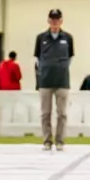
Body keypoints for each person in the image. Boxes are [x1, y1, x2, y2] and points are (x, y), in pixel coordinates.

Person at [35, 9, 73, 150]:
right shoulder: (41, 38)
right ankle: (47, 141)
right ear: (48, 21)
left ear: (61, 21)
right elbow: (37, 58)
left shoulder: (68, 38)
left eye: (57, 20)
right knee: (45, 113)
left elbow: (70, 57)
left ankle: (60, 141)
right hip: (45, 81)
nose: (55, 22)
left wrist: (61, 67)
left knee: (62, 113)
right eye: (52, 20)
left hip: (62, 81)